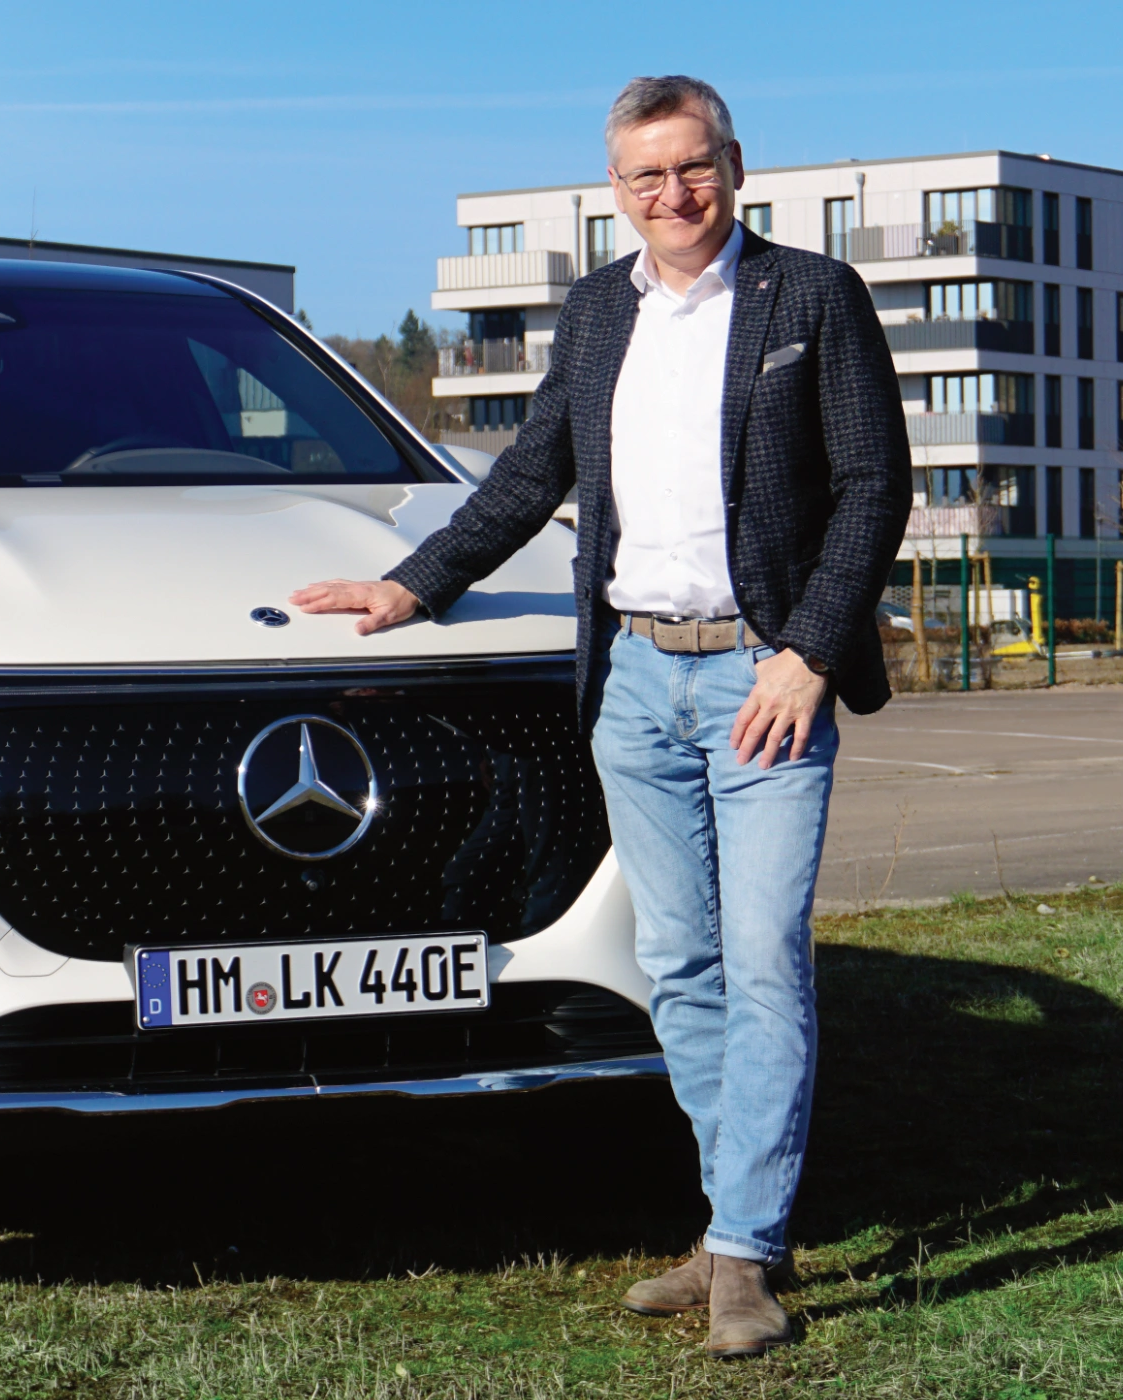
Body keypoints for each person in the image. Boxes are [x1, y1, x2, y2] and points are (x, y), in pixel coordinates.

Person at [290, 74, 908, 1359]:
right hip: (633, 680)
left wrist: (809, 653)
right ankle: (738, 1220)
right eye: (647, 176)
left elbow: (872, 487)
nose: (674, 194)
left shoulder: (811, 297)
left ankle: (743, 1251)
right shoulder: (594, 312)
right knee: (677, 964)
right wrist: (413, 583)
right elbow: (531, 472)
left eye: (694, 166)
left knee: (764, 961)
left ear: (735, 165)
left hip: (764, 681)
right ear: (614, 192)